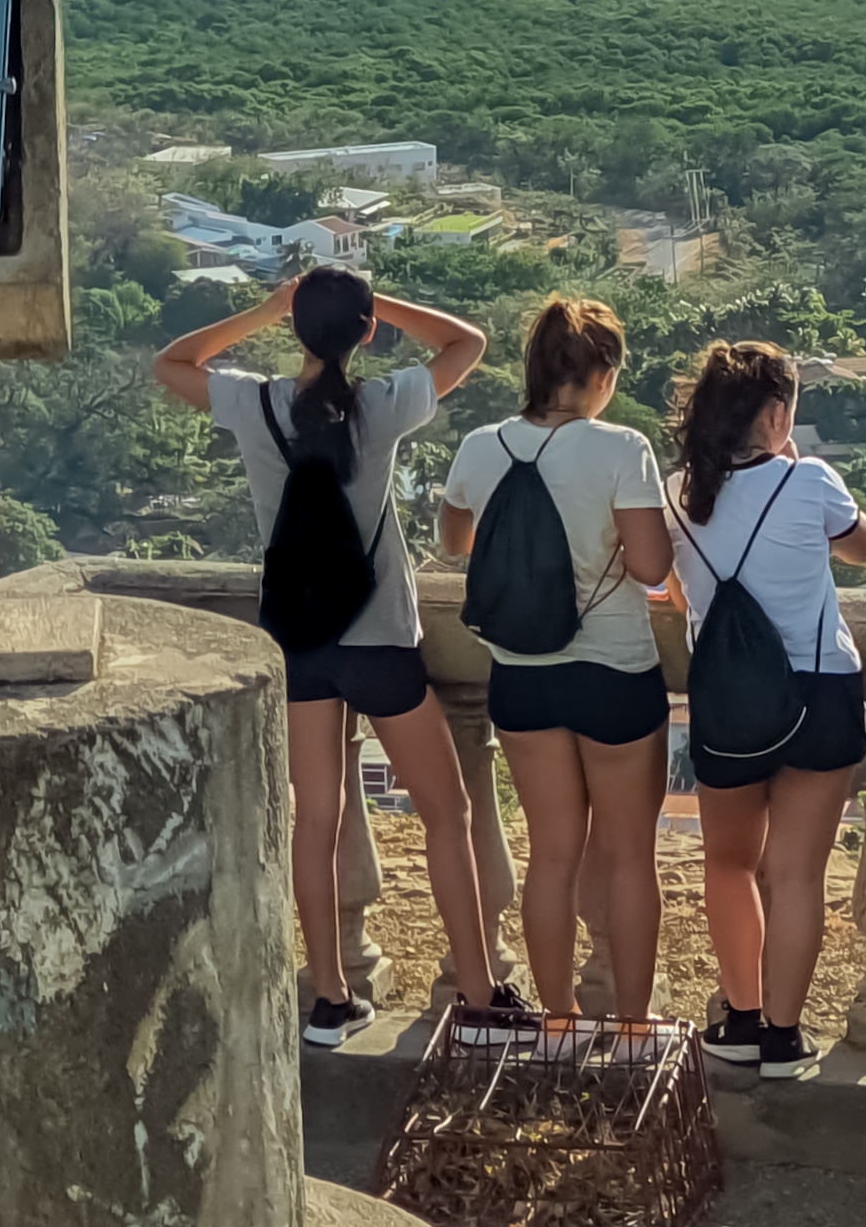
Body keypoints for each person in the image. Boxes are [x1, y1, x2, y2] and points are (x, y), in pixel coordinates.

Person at [157, 269, 514, 1050]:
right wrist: (377, 305)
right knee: (447, 814)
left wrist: (264, 309)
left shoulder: (255, 404)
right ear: (365, 335)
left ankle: (328, 997)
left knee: (314, 819)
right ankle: (483, 997)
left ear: (294, 330)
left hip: (299, 642)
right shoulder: (381, 406)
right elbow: (468, 343)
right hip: (379, 635)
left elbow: (173, 363)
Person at [439, 296, 672, 1029]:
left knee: (550, 855)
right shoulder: (621, 448)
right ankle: (633, 1028)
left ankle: (559, 1021)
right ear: (602, 373)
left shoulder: (481, 445)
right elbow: (650, 565)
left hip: (522, 674)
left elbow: (454, 541)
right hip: (614, 671)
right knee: (631, 858)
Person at [664, 341, 866, 1081]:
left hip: (725, 695)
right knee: (794, 874)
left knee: (727, 864)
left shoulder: (677, 493)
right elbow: (862, 550)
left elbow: (670, 586)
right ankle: (783, 1037)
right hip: (819, 690)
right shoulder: (810, 479)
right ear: (778, 412)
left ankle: (741, 1017)